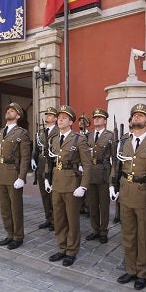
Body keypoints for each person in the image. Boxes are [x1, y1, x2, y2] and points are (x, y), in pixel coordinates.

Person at [111, 103, 146, 289]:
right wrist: (114, 186)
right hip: (126, 193)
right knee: (128, 235)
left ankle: (143, 272)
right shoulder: (123, 142)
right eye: (135, 115)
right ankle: (130, 270)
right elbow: (117, 166)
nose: (137, 117)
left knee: (144, 237)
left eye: (141, 115)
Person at [45, 105, 91, 267]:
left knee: (72, 220)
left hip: (72, 184)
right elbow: (51, 160)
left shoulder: (79, 139)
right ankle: (62, 247)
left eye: (64, 118)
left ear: (71, 121)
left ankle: (71, 250)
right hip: (57, 183)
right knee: (59, 219)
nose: (60, 119)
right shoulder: (55, 138)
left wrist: (83, 186)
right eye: (59, 117)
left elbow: (87, 165)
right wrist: (47, 179)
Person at [0, 102, 31, 250]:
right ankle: (9, 234)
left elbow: (25, 157)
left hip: (13, 173)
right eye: (8, 109)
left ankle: (18, 236)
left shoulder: (22, 133)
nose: (8, 111)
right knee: (4, 207)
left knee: (15, 208)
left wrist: (22, 177)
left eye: (12, 110)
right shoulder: (0, 131)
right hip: (1, 172)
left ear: (17, 115)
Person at [85, 108, 114, 244]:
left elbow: (115, 158)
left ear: (105, 121)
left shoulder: (110, 136)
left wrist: (113, 177)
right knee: (92, 204)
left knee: (103, 204)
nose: (96, 119)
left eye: (99, 117)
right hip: (91, 172)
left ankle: (103, 231)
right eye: (95, 117)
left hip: (103, 173)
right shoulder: (89, 135)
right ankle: (95, 229)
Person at [31, 107, 59, 231]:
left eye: (50, 115)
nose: (47, 116)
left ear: (55, 118)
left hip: (52, 166)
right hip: (41, 166)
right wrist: (33, 158)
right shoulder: (40, 132)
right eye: (46, 114)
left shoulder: (58, 132)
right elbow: (36, 149)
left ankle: (56, 220)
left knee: (53, 196)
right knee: (44, 195)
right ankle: (48, 218)